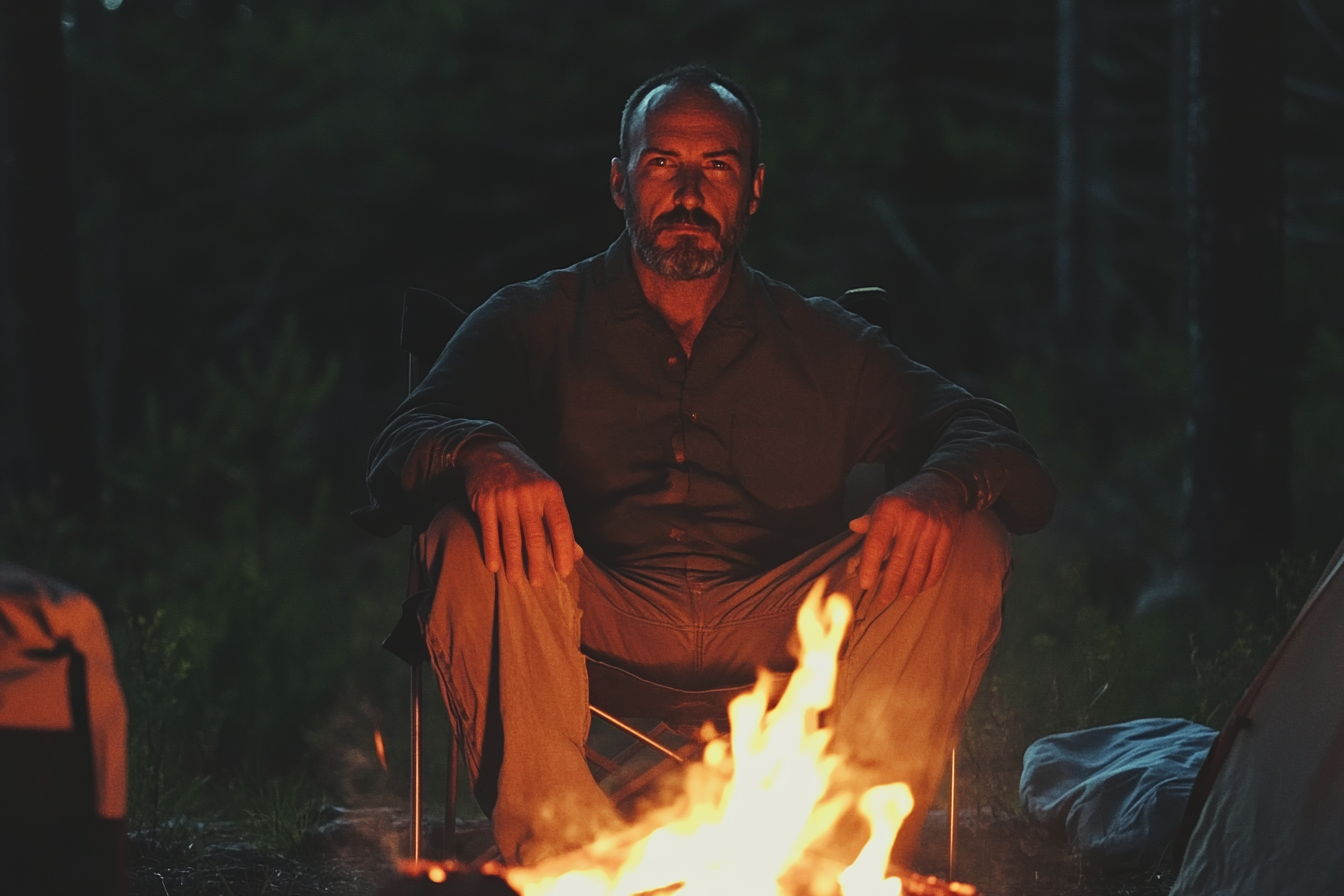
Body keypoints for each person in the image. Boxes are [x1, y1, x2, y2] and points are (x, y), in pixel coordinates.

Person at [360, 64, 1055, 867]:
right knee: (465, 528)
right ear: (620, 183)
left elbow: (1004, 451)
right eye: (662, 164)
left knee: (966, 540)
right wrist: (479, 453)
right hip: (589, 611)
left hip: (784, 615)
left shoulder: (823, 341)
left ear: (753, 189)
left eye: (716, 166)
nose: (688, 191)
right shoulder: (535, 320)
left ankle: (841, 862)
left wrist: (941, 486)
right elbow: (399, 444)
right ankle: (564, 862)